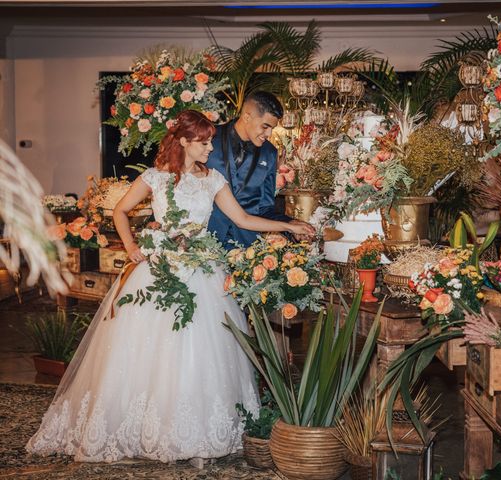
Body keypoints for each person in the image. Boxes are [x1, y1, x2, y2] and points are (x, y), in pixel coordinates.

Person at [26, 110, 314, 465]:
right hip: (157, 270)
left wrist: (287, 227)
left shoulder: (214, 180)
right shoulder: (156, 177)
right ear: (183, 142)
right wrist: (132, 247)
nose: (211, 147)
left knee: (202, 350)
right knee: (145, 351)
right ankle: (143, 427)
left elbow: (242, 219)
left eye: (211, 140)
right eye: (204, 142)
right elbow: (121, 211)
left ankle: (195, 432)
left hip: (202, 271)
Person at [206, 90, 308, 247]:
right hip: (205, 241)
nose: (269, 133)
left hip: (246, 247)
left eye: (272, 128)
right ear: (247, 117)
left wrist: (291, 225)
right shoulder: (208, 138)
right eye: (265, 126)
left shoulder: (270, 153)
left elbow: (265, 208)